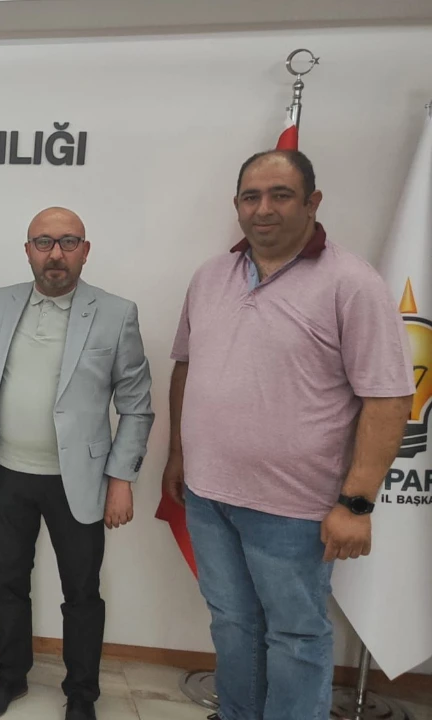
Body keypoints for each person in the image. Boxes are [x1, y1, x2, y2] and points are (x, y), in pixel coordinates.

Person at [163, 150, 412, 720]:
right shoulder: (210, 277)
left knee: (296, 636)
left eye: (280, 195)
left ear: (312, 202)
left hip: (295, 510)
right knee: (232, 622)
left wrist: (357, 503)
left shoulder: (351, 283)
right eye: (251, 197)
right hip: (208, 496)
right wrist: (178, 454)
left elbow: (389, 398)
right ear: (236, 205)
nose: (264, 209)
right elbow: (186, 367)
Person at [0, 207, 153, 720]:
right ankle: (11, 676)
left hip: (80, 479)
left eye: (68, 242)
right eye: (44, 242)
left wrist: (121, 478)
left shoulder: (116, 313)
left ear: (85, 251)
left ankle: (81, 693)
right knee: (7, 582)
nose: (55, 254)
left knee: (81, 591)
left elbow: (136, 404)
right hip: (5, 472)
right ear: (27, 250)